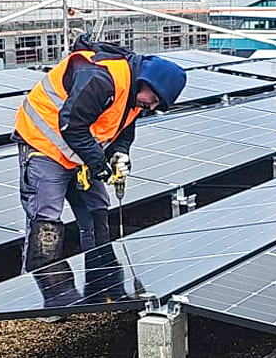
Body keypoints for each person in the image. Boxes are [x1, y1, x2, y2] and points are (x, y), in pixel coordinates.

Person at [12, 38, 185, 273]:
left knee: (97, 206)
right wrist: (98, 164)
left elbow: (124, 127)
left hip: (78, 150)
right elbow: (72, 126)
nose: (151, 107)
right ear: (147, 83)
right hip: (44, 146)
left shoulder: (134, 93)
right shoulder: (101, 79)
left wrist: (119, 154)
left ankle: (101, 281)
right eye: (153, 100)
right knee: (47, 220)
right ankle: (40, 294)